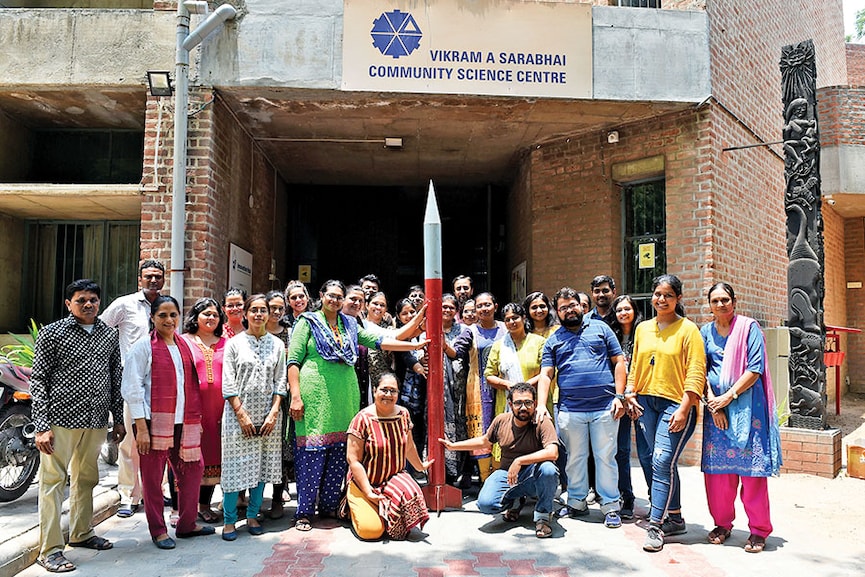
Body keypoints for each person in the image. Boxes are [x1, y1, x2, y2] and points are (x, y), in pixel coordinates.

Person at [287, 280, 429, 532]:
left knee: (341, 453)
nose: (335, 300)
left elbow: (383, 340)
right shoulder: (307, 322)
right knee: (312, 454)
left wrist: (414, 345)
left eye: (339, 296)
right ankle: (305, 512)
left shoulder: (350, 325)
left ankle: (330, 505)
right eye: (331, 295)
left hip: (346, 397)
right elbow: (294, 360)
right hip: (314, 398)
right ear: (321, 296)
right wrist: (296, 396)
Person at [31, 279, 126, 573]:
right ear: (68, 303)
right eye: (81, 299)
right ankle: (50, 549)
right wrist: (41, 426)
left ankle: (82, 533)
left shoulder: (108, 335)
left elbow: (115, 376)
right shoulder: (52, 333)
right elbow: (38, 381)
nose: (88, 304)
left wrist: (118, 418)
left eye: (93, 300)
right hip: (60, 421)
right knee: (53, 484)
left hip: (96, 421)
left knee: (87, 479)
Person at [122, 295, 215, 550]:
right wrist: (141, 428)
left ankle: (187, 525)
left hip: (184, 422)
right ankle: (158, 530)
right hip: (153, 424)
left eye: (173, 315)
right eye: (162, 315)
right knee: (152, 479)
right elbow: (132, 388)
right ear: (152, 317)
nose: (169, 320)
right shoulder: (143, 347)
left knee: (193, 470)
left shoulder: (183, 344)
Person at [700, 283, 782, 553]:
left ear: (734, 301)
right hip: (717, 411)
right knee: (718, 475)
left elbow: (755, 368)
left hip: (749, 407)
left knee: (752, 473)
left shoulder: (749, 328)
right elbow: (700, 369)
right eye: (715, 300)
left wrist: (729, 397)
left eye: (725, 299)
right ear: (709, 305)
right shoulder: (705, 333)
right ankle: (722, 524)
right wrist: (715, 404)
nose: (721, 304)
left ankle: (759, 530)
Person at [536, 287, 626, 529]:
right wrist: (541, 405)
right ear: (557, 312)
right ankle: (576, 502)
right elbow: (546, 375)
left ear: (581, 305)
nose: (569, 310)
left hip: (605, 407)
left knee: (605, 457)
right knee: (575, 459)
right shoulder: (553, 340)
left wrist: (620, 396)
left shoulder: (601, 328)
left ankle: (610, 506)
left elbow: (619, 362)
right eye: (563, 307)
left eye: (572, 305)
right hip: (569, 409)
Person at [627, 274, 706, 552]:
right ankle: (674, 517)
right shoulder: (642, 328)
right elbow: (635, 364)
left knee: (662, 460)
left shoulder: (688, 330)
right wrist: (630, 394)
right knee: (655, 460)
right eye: (658, 294)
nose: (662, 299)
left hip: (676, 405)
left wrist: (685, 408)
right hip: (646, 403)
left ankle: (656, 527)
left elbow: (697, 371)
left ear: (678, 299)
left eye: (668, 295)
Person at [439, 383, 559, 539]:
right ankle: (515, 502)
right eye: (518, 403)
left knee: (549, 469)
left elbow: (553, 452)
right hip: (507, 475)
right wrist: (453, 446)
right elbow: (484, 442)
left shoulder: (542, 421)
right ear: (510, 404)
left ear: (534, 403)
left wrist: (519, 461)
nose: (523, 407)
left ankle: (543, 516)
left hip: (533, 475)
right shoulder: (501, 421)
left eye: (528, 402)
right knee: (486, 504)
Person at [220, 294, 287, 540]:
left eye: (263, 310)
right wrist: (241, 414)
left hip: (269, 417)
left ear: (269, 314)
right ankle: (229, 521)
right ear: (246, 314)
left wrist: (274, 412)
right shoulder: (234, 344)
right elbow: (228, 381)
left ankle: (252, 515)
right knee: (234, 467)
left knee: (261, 467)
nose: (259, 314)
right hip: (238, 417)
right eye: (254, 310)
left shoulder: (277, 345)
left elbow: (280, 381)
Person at [101, 259, 165, 518]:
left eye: (157, 276)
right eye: (148, 276)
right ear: (140, 279)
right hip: (131, 381)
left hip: (160, 382)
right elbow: (103, 331)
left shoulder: (166, 305)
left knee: (160, 441)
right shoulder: (124, 304)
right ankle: (129, 495)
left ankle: (157, 492)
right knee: (129, 441)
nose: (153, 280)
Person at [345, 373, 432, 540]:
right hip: (365, 482)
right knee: (371, 532)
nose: (388, 395)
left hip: (393, 478)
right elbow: (353, 460)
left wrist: (420, 466)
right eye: (384, 390)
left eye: (393, 391)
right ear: (375, 390)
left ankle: (385, 514)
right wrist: (368, 491)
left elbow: (408, 446)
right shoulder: (362, 419)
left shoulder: (404, 414)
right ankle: (355, 507)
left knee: (413, 492)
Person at [447, 292, 506, 482]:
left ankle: (500, 478)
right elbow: (456, 352)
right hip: (478, 390)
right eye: (480, 306)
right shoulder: (470, 331)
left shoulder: (506, 328)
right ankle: (484, 479)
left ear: (495, 307)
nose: (483, 309)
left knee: (504, 429)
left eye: (487, 305)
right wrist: (441, 343)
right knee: (482, 431)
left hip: (505, 387)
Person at [181, 298, 228, 524]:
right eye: (206, 314)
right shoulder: (184, 342)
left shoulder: (226, 343)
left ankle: (204, 505)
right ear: (195, 316)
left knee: (212, 457)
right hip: (191, 408)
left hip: (219, 411)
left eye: (215, 315)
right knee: (185, 457)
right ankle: (180, 509)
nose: (211, 318)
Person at [608, 294, 652, 520]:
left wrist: (632, 394)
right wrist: (621, 396)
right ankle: (626, 497)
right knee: (621, 452)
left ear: (635, 310)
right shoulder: (611, 336)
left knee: (647, 453)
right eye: (619, 310)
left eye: (627, 309)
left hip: (641, 399)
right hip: (620, 401)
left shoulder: (644, 333)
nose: (623, 313)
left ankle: (657, 498)